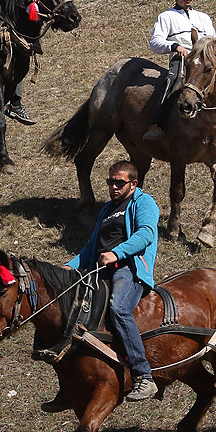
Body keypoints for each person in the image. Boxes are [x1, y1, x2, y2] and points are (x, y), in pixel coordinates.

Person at [42, 160, 160, 411]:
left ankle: (143, 376)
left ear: (133, 183)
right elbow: (91, 247)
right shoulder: (107, 209)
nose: (114, 187)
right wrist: (70, 266)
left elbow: (146, 234)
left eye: (120, 182)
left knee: (119, 308)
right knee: (68, 314)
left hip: (128, 270)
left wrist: (117, 253)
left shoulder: (144, 203)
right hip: (98, 272)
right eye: (110, 182)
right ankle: (67, 387)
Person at [143, 0, 216, 141]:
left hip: (203, 60)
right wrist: (175, 47)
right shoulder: (166, 16)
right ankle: (158, 123)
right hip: (182, 58)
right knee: (173, 79)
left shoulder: (204, 18)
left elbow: (213, 39)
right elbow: (155, 42)